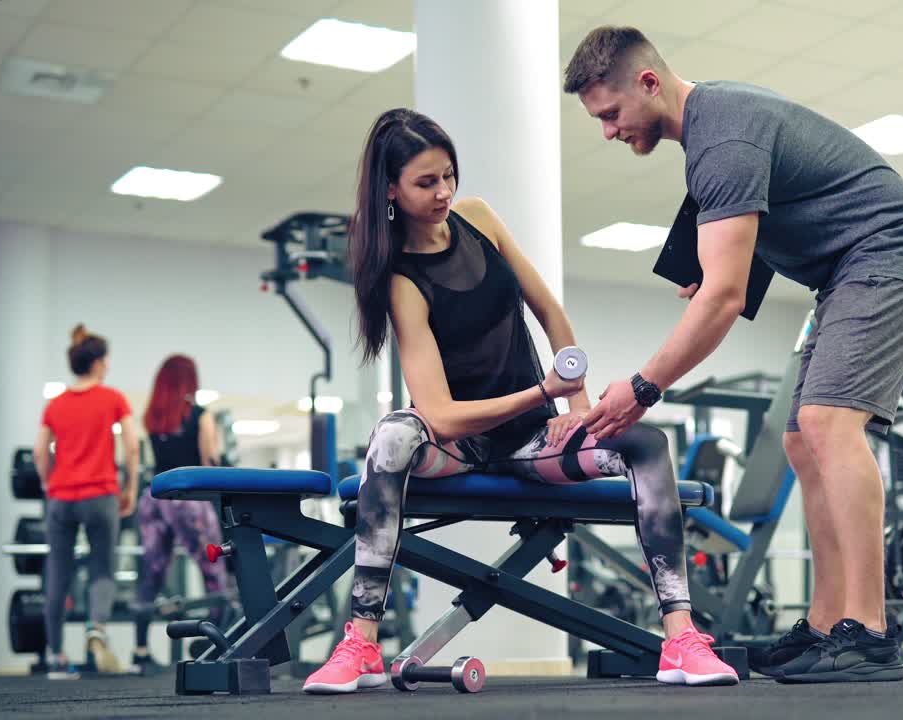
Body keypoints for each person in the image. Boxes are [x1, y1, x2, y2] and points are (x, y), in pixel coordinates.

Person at [301, 108, 738, 694]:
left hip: (534, 441)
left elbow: (551, 312)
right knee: (393, 434)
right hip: (457, 446)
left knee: (644, 441)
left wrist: (578, 410)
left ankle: (681, 637)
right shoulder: (401, 281)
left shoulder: (479, 220)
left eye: (448, 175)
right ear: (390, 190)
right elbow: (440, 417)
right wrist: (541, 392)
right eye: (426, 182)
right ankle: (361, 643)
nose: (444, 191)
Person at [564, 26, 903, 683]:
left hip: (893, 254)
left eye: (610, 113)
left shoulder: (722, 140)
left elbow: (723, 299)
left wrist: (643, 386)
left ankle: (869, 633)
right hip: (844, 274)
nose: (607, 131)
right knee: (801, 439)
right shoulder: (714, 130)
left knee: (830, 422)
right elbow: (767, 224)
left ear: (649, 83)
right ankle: (827, 626)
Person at [32, 324, 139, 679]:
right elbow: (132, 446)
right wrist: (131, 486)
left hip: (61, 497)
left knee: (58, 572)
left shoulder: (56, 404)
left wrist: (48, 482)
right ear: (95, 363)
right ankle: (96, 630)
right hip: (100, 494)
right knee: (102, 568)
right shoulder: (113, 398)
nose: (108, 365)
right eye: (106, 360)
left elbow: (39, 451)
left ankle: (56, 655)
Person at [131, 354, 230, 672]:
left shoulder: (152, 417)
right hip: (189, 500)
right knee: (214, 570)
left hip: (155, 496)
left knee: (151, 574)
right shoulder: (200, 416)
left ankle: (140, 649)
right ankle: (216, 645)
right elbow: (210, 461)